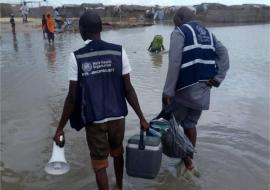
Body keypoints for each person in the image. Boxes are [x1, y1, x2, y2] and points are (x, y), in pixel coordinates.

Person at [53, 11, 149, 190]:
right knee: (117, 152)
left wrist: (60, 127)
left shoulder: (77, 57)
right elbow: (128, 89)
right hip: (118, 117)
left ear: (81, 30)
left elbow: (72, 97)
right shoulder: (118, 51)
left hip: (95, 118)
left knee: (99, 164)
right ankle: (119, 186)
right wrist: (142, 118)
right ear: (101, 28)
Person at [162, 7, 229, 179]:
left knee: (168, 124)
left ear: (181, 19)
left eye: (175, 21)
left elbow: (174, 62)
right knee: (190, 124)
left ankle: (185, 161)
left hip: (184, 90)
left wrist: (168, 92)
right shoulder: (207, 33)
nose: (174, 25)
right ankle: (188, 160)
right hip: (203, 90)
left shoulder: (180, 32)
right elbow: (224, 53)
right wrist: (218, 77)